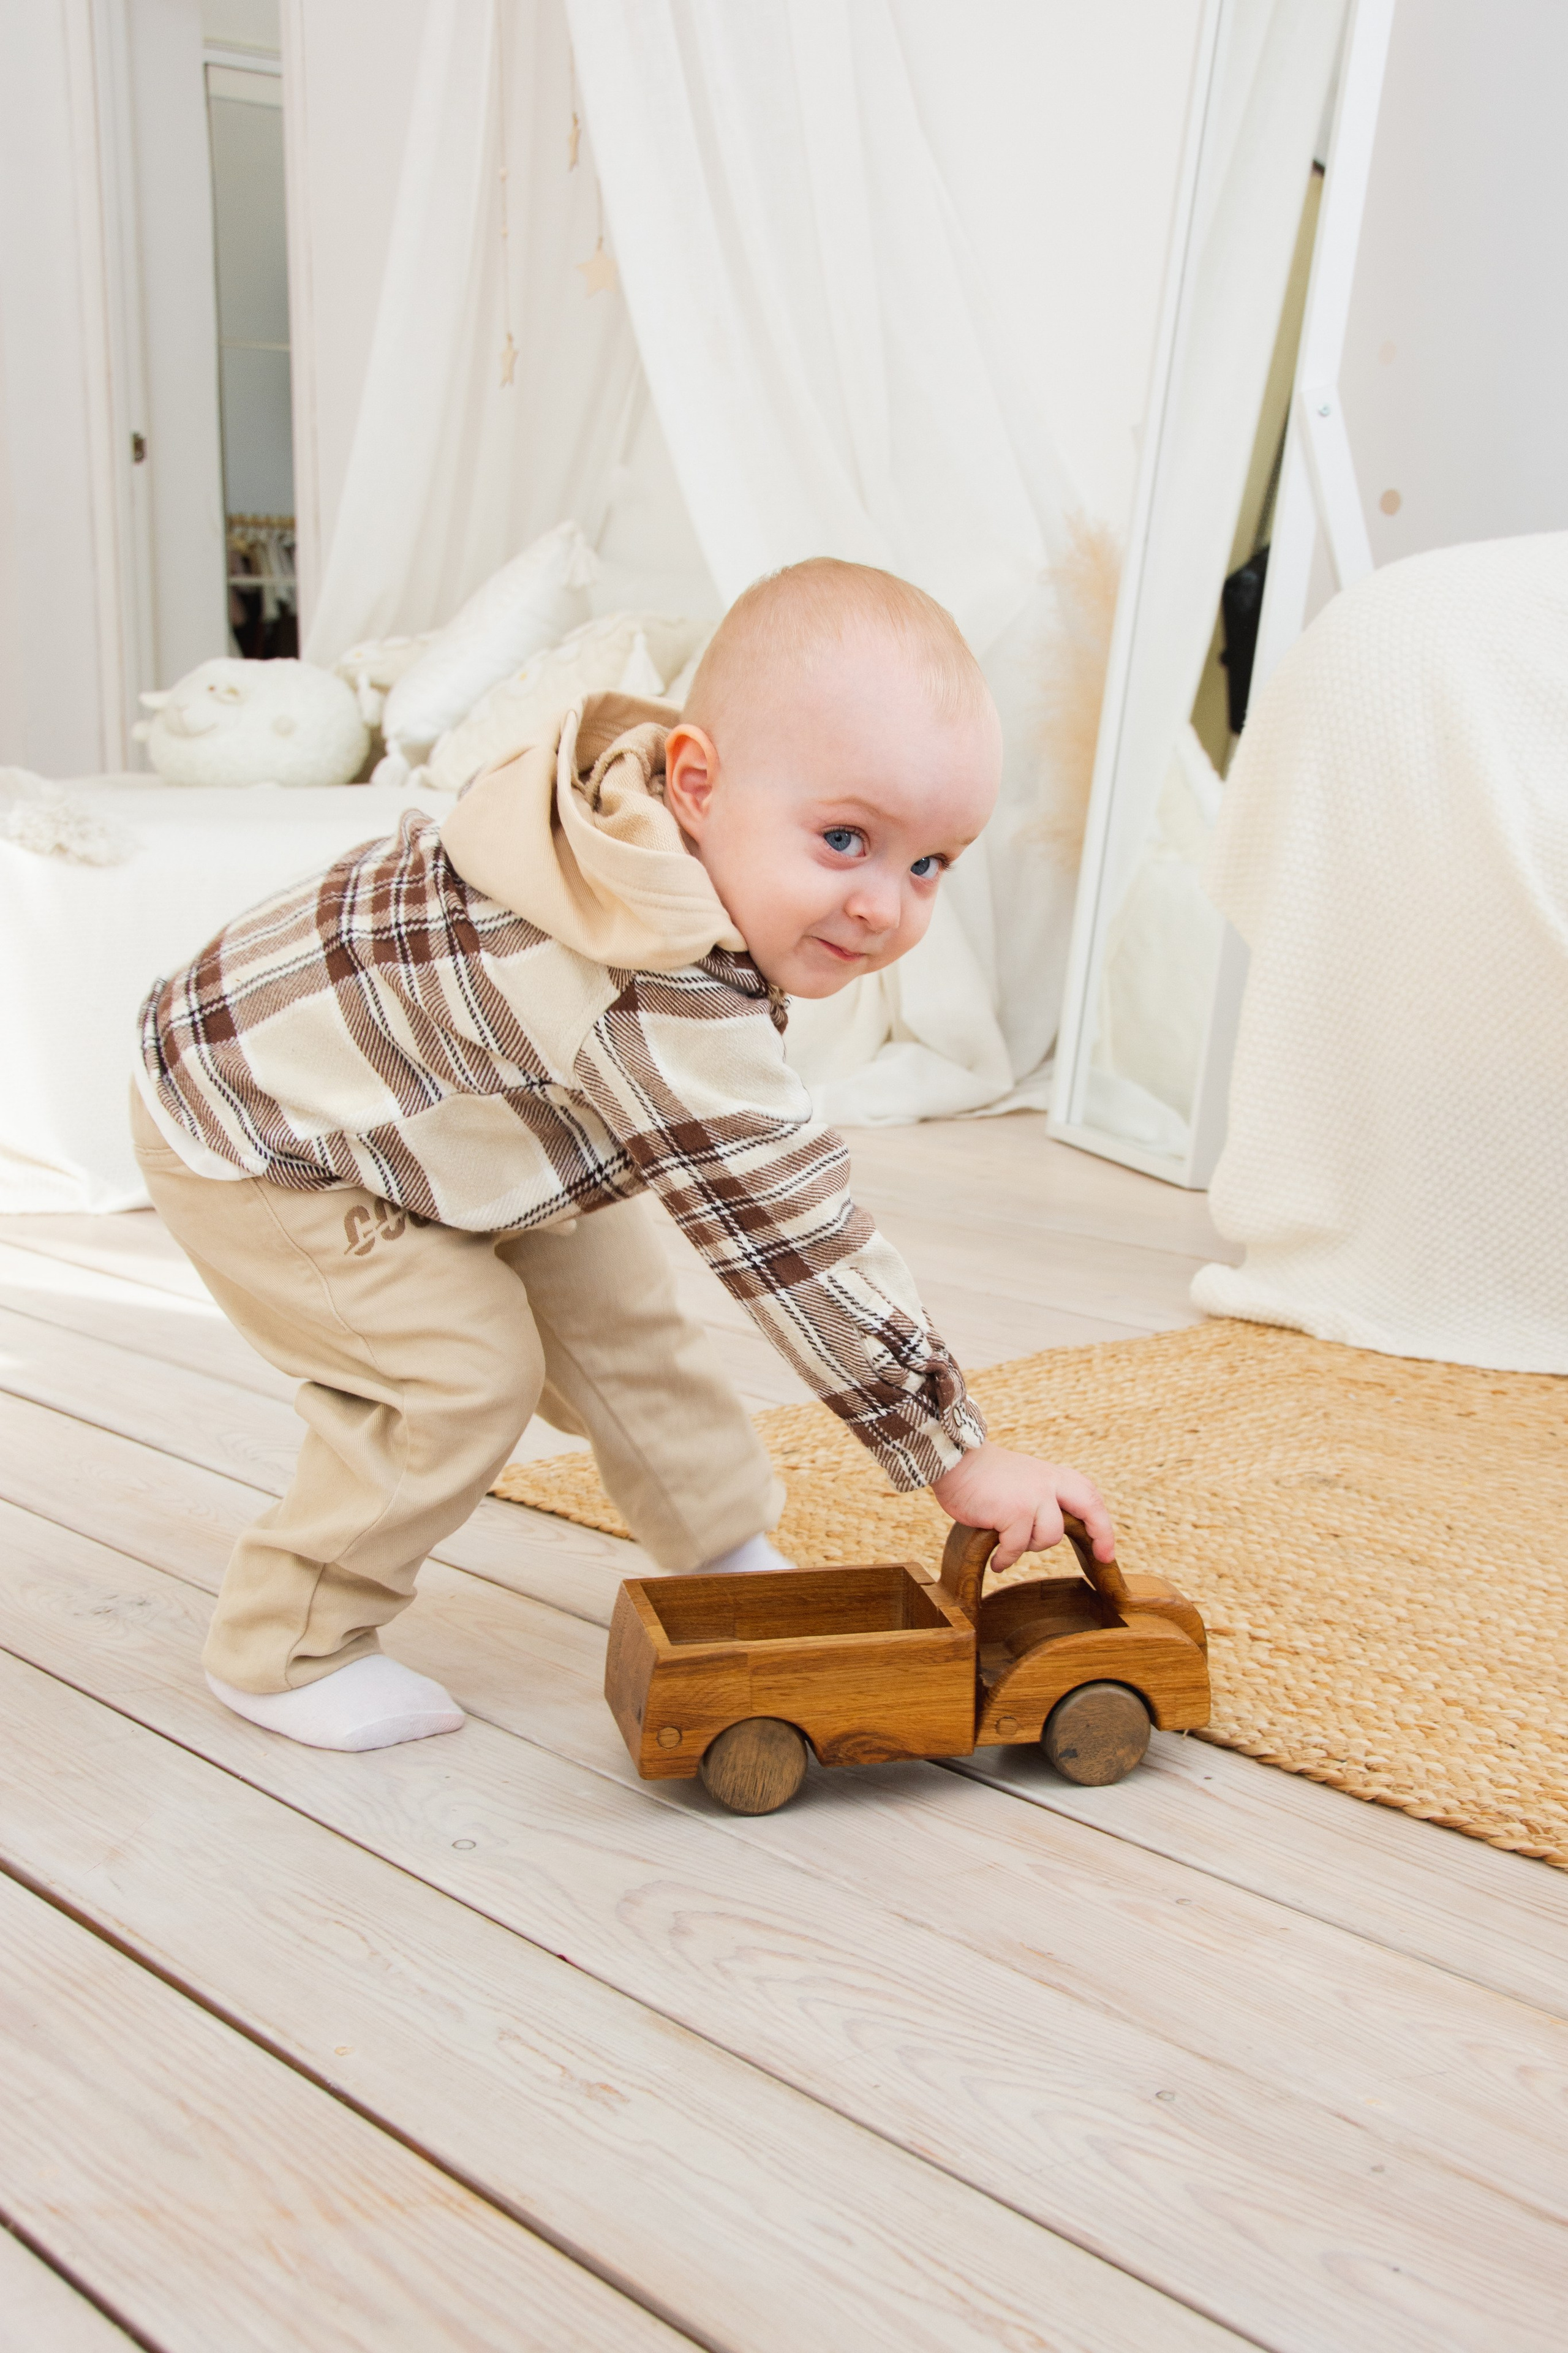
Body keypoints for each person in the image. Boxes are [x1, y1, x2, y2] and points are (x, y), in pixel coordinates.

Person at [132, 557, 1114, 1753]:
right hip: (261, 1131)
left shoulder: (639, 813)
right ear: (696, 781)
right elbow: (788, 1230)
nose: (882, 907)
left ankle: (718, 1549)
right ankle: (284, 1645)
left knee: (624, 1307)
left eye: (927, 864)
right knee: (458, 1371)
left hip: (457, 1122)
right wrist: (954, 1452)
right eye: (844, 837)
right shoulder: (649, 986)